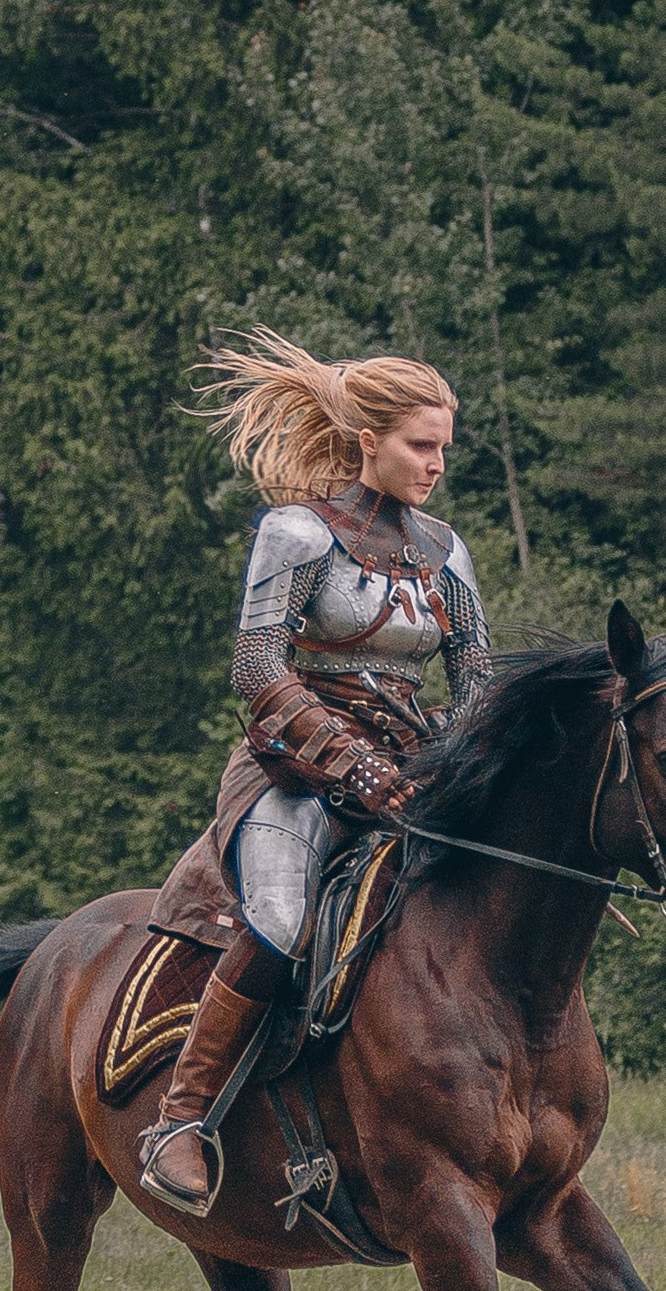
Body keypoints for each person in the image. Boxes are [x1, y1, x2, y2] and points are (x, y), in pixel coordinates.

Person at [137, 329, 492, 1212]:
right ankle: (181, 1121)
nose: (435, 463)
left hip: (412, 776)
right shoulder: (297, 533)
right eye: (420, 445)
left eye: (443, 447)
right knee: (283, 921)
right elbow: (258, 669)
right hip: (292, 776)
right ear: (368, 441)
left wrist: (447, 749)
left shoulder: (448, 552)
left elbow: (478, 682)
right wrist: (353, 766)